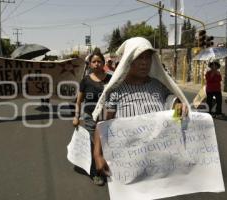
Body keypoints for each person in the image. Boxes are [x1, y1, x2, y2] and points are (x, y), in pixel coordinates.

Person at [91, 37, 189, 177]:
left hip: (158, 164)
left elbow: (175, 117)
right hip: (127, 165)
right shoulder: (116, 91)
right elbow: (103, 124)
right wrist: (97, 155)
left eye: (148, 58)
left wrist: (179, 108)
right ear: (128, 60)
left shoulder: (159, 86)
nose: (144, 63)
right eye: (139, 58)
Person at [72, 50, 111, 186]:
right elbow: (78, 101)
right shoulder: (85, 81)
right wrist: (76, 117)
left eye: (99, 61)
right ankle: (95, 173)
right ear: (89, 64)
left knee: (106, 144)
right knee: (94, 145)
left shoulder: (110, 79)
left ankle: (107, 167)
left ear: (103, 63)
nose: (96, 64)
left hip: (107, 117)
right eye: (93, 62)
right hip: (90, 118)